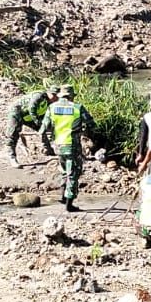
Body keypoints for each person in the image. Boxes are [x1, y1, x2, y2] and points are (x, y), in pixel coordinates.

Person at [39, 83, 95, 212]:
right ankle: (69, 203)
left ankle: (63, 197)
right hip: (72, 145)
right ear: (71, 96)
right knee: (73, 173)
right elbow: (91, 124)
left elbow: (43, 128)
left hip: (58, 145)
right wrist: (84, 131)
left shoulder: (52, 107)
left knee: (64, 170)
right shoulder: (77, 108)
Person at [6, 84, 57, 165]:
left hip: (29, 117)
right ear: (48, 93)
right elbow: (31, 108)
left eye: (57, 95)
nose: (55, 97)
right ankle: (12, 157)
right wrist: (37, 120)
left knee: (44, 128)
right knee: (13, 134)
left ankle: (47, 149)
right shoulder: (39, 96)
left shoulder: (52, 103)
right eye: (53, 95)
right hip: (17, 113)